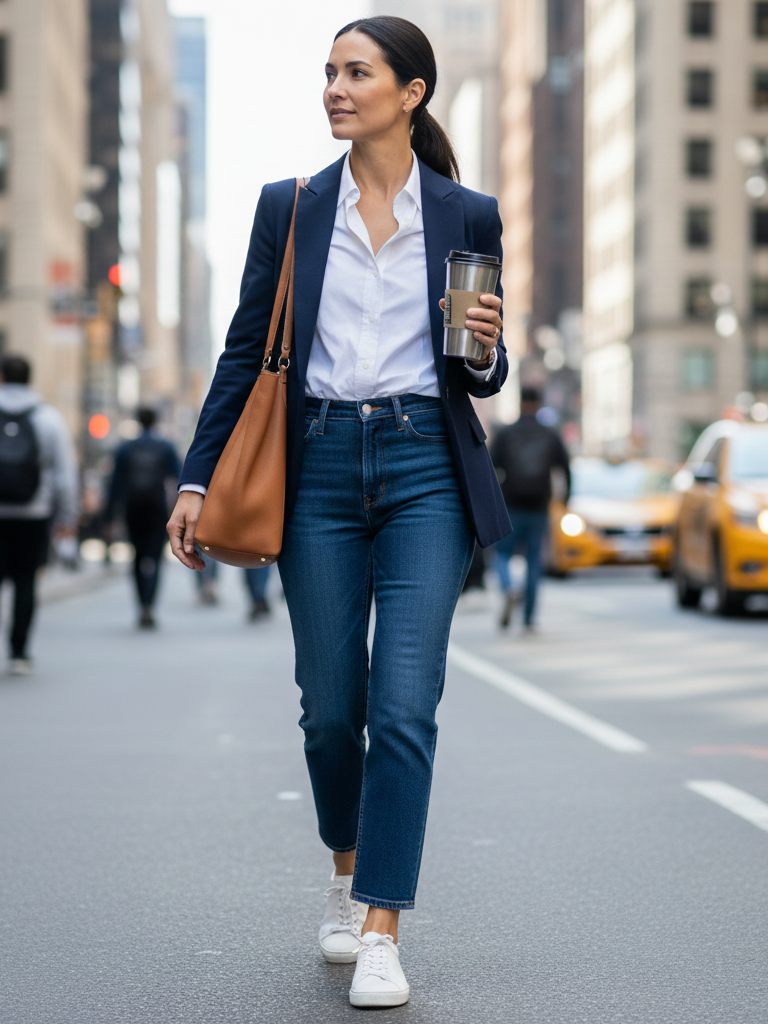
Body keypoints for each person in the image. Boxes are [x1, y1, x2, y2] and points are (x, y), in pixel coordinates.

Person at [167, 16, 510, 1009]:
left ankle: (382, 925)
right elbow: (245, 350)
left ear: (411, 92)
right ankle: (344, 863)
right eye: (328, 72)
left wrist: (486, 347)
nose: (335, 88)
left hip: (424, 468)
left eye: (357, 72)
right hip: (313, 464)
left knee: (404, 706)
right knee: (331, 711)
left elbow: (481, 365)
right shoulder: (292, 206)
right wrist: (196, 479)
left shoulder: (468, 213)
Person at [0, 354, 78, 674]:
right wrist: (67, 518)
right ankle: (19, 653)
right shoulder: (48, 418)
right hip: (34, 512)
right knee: (25, 582)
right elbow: (64, 473)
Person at [490, 385, 571, 631]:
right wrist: (566, 500)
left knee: (501, 554)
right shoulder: (550, 434)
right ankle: (527, 620)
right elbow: (565, 469)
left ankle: (508, 587)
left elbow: (489, 469)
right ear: (538, 404)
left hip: (510, 504)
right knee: (534, 561)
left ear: (520, 402)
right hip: (539, 506)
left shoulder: (505, 433)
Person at [106, 408, 181, 629]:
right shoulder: (165, 447)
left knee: (137, 557)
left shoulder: (125, 448)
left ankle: (141, 605)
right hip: (156, 509)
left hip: (133, 508)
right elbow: (178, 477)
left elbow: (115, 485)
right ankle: (150, 604)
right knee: (156, 558)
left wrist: (109, 516)